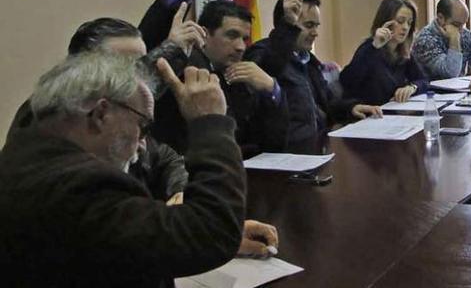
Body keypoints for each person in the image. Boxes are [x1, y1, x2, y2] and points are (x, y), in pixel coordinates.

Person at [4, 17, 279, 257]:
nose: (141, 79)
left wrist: (182, 198)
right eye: (125, 70)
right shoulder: (67, 178)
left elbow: (162, 157)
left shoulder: (65, 123)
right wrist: (210, 123)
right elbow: (208, 234)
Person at [0, 53, 244, 286]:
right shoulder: (77, 187)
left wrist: (176, 221)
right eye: (143, 126)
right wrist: (210, 123)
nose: (142, 145)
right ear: (100, 114)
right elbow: (210, 233)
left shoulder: (26, 153)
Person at [246, 0, 382, 153]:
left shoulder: (308, 60)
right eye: (309, 25)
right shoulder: (262, 53)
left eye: (316, 26)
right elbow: (269, 71)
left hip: (316, 147)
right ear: (287, 23)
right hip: (285, 154)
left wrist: (351, 108)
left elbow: (327, 102)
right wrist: (287, 27)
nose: (315, 33)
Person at [151, 0, 290, 157]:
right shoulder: (183, 71)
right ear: (204, 35)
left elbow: (270, 142)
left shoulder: (240, 74)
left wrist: (272, 90)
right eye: (232, 35)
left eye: (245, 39)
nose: (241, 47)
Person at [340, 0, 429, 105]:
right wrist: (375, 47)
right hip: (368, 114)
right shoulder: (370, 48)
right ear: (386, 22)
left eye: (409, 23)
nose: (405, 27)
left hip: (393, 113)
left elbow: (424, 81)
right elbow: (347, 81)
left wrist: (412, 87)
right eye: (400, 21)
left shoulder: (403, 53)